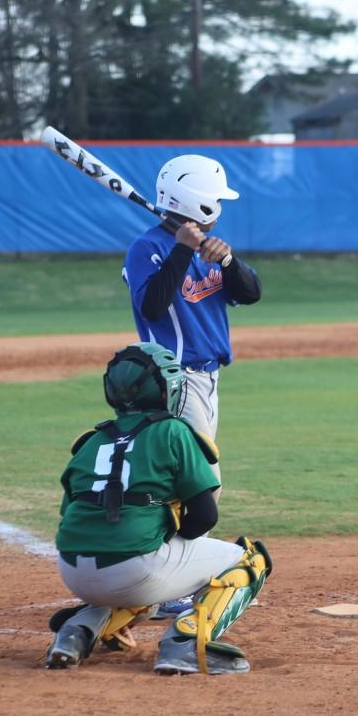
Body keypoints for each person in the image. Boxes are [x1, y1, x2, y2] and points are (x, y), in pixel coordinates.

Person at [44, 342, 271, 675]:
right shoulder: (173, 431)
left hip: (72, 570)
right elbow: (206, 516)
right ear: (168, 389)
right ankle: (184, 645)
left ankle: (78, 630)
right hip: (134, 570)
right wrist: (168, 535)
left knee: (136, 564)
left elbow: (72, 514)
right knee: (250, 560)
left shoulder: (92, 440)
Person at [122, 153, 262, 490]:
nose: (219, 206)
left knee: (187, 475)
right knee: (202, 480)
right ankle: (186, 544)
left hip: (209, 378)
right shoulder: (147, 247)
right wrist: (182, 251)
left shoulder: (209, 249)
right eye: (215, 199)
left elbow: (251, 292)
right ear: (199, 203)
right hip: (176, 378)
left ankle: (175, 540)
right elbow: (152, 307)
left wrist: (228, 261)